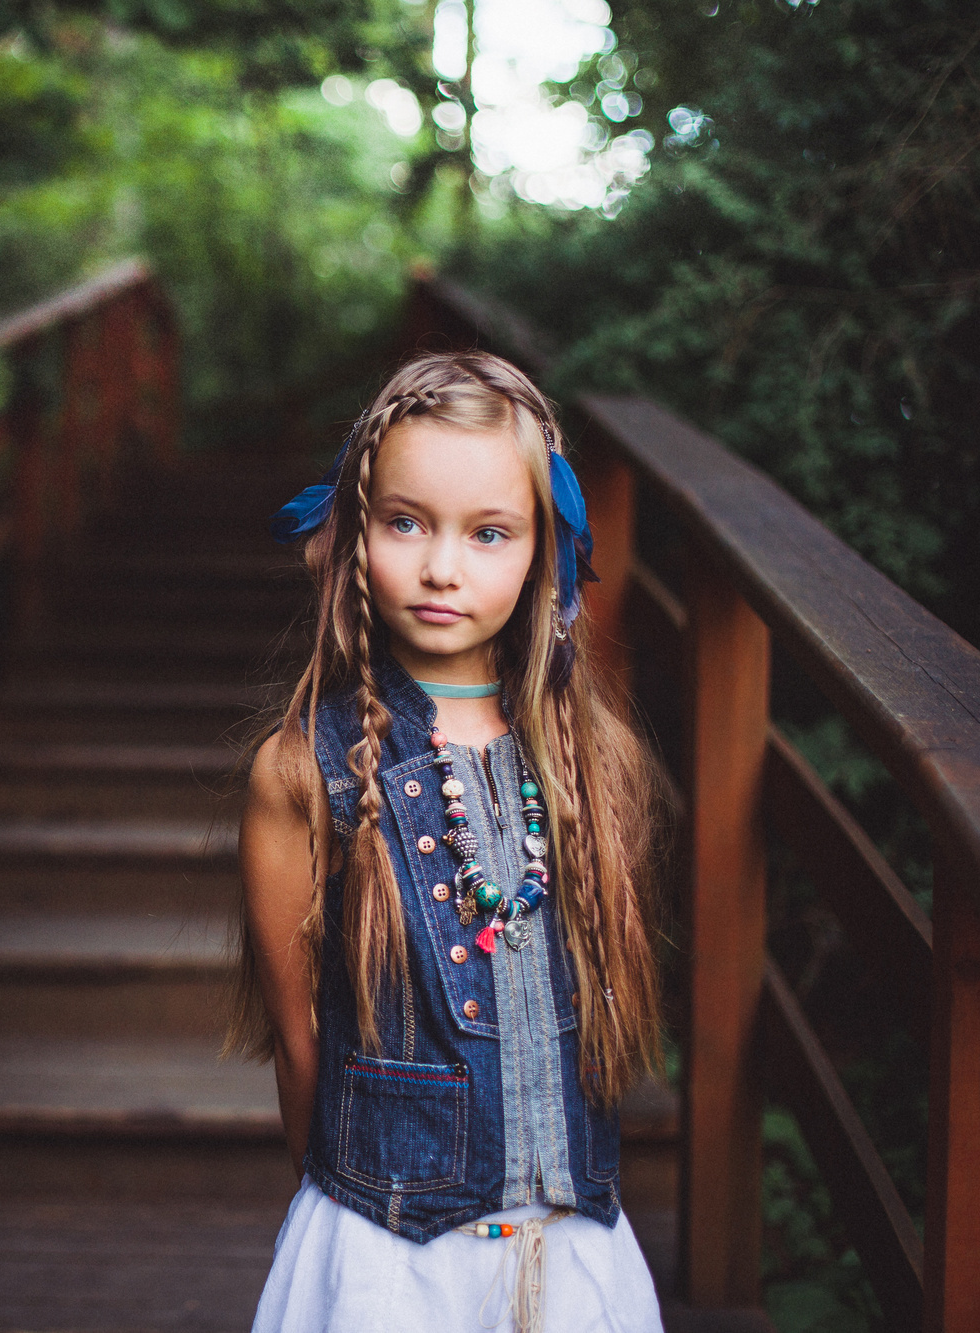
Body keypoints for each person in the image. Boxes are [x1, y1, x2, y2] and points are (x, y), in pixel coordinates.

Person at [232, 350, 667, 1333]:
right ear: (349, 537)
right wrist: (338, 1207)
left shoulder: (592, 767)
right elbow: (297, 1036)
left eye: (487, 533)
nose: (439, 566)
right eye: (402, 522)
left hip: (571, 1251)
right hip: (384, 1255)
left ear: (541, 553)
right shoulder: (303, 771)